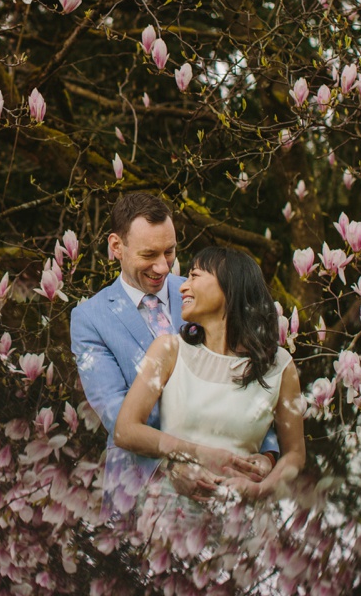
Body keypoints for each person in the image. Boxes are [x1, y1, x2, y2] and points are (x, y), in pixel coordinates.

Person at [70, 194, 278, 517]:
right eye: (149, 255)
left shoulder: (203, 291)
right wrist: (174, 462)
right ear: (116, 247)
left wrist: (267, 453)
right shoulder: (89, 319)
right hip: (140, 493)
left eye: (170, 252)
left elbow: (249, 376)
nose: (163, 267)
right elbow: (117, 416)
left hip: (229, 489)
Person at [113, 246, 305, 501]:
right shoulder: (169, 350)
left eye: (195, 276)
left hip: (240, 520)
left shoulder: (280, 366)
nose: (182, 286)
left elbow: (295, 454)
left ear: (229, 286)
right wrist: (195, 454)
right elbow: (125, 430)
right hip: (168, 515)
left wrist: (260, 490)